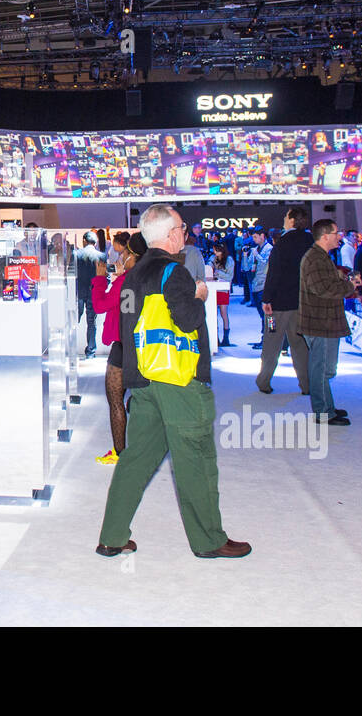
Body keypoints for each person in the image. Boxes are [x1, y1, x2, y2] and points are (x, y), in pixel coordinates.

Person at [96, 204, 249, 561]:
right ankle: (210, 539)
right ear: (170, 234)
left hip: (143, 378)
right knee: (195, 458)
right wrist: (199, 296)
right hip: (177, 381)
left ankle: (112, 536)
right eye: (181, 227)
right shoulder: (174, 273)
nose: (185, 232)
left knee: (135, 459)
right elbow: (187, 318)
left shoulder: (131, 275)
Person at [298, 218, 359, 425]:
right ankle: (323, 412)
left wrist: (344, 282)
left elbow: (325, 284)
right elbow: (322, 289)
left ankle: (327, 406)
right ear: (325, 236)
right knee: (321, 368)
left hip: (324, 321)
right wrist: (349, 286)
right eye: (336, 233)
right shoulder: (315, 258)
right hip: (319, 322)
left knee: (325, 369)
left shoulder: (321, 256)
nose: (339, 236)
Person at [90, 233, 140, 464]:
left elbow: (100, 305)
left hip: (123, 345)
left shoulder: (125, 281)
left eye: (125, 253)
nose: (121, 257)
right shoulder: (141, 278)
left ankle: (120, 453)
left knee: (115, 398)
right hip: (144, 344)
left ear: (133, 256)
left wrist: (100, 279)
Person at [257, 206, 313, 395]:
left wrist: (266, 299)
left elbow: (274, 274)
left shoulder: (282, 243)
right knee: (299, 344)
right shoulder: (310, 241)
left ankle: (264, 381)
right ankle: (307, 384)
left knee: (272, 341)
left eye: (286, 216)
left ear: (291, 220)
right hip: (301, 303)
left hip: (277, 306)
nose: (283, 218)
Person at [75, 231, 106, 358]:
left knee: (73, 320)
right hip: (94, 291)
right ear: (96, 242)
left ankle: (69, 347)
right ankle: (90, 352)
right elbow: (103, 275)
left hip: (80, 291)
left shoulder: (76, 254)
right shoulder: (101, 256)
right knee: (91, 322)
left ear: (84, 240)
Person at [247, 228, 272, 348]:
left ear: (262, 235)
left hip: (265, 285)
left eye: (256, 237)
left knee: (268, 314)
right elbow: (249, 266)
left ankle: (270, 339)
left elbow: (265, 263)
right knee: (262, 315)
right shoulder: (256, 249)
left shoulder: (269, 249)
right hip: (256, 284)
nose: (254, 240)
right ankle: (265, 338)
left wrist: (256, 255)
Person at [210, 242, 234, 346]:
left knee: (224, 313)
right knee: (214, 314)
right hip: (214, 289)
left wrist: (218, 272)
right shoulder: (214, 259)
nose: (214, 252)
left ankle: (226, 338)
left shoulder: (229, 260)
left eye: (216, 250)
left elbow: (229, 277)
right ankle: (216, 338)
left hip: (223, 290)